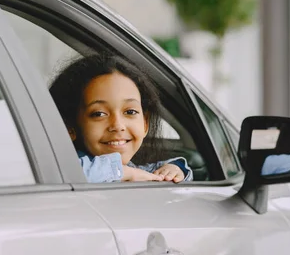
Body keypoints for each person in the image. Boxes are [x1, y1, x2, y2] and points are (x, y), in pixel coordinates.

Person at [49, 54, 193, 183]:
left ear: (145, 123)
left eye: (130, 111)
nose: (118, 125)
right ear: (69, 127)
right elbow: (63, 174)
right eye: (99, 114)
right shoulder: (70, 166)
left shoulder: (131, 170)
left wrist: (175, 168)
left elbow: (148, 173)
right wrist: (124, 173)